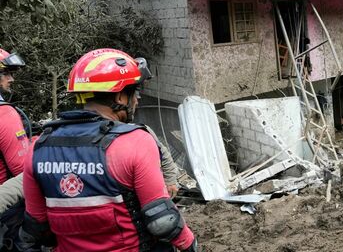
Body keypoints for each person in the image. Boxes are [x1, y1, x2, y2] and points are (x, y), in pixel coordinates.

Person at [20, 49, 197, 252]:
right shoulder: (134, 141)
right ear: (121, 97)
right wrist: (190, 244)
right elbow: (162, 220)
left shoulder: (39, 147)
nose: (137, 100)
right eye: (134, 93)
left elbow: (35, 224)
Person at [0, 49, 32, 251]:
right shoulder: (5, 114)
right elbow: (23, 170)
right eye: (5, 73)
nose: (11, 79)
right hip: (7, 215)